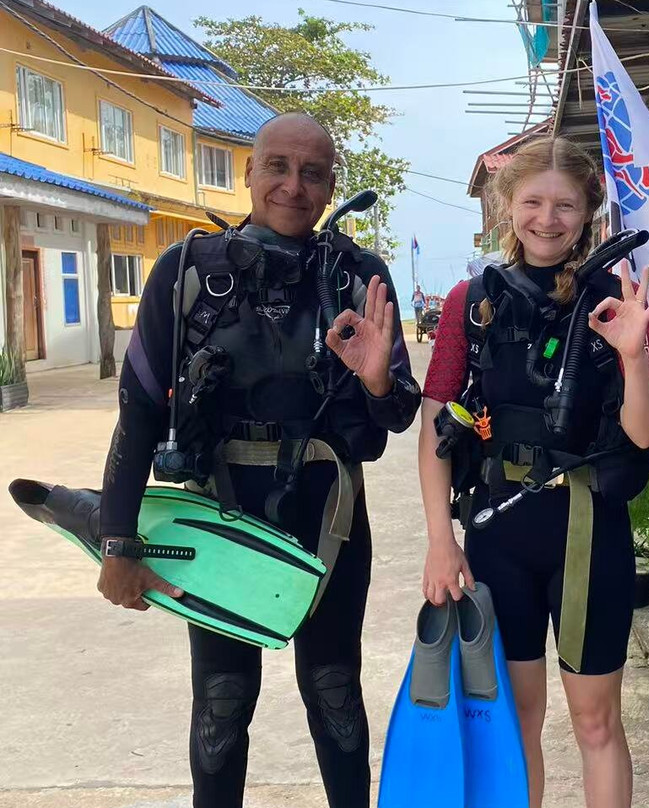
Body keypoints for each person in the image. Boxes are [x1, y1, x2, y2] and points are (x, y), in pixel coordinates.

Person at [95, 112, 421, 808]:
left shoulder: (360, 277)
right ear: (249, 172)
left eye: (311, 172)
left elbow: (395, 418)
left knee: (334, 689)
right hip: (220, 516)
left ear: (332, 183)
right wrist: (118, 540)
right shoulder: (186, 274)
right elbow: (140, 411)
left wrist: (376, 380)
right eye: (277, 166)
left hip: (329, 516)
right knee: (221, 699)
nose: (293, 186)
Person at [417, 137, 649, 808]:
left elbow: (644, 432)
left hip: (588, 531)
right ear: (506, 206)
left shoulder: (616, 297)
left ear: (588, 212)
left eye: (564, 205)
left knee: (596, 718)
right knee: (518, 716)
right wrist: (441, 542)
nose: (547, 219)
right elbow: (435, 427)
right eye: (532, 202)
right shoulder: (470, 302)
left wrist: (635, 355)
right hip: (500, 532)